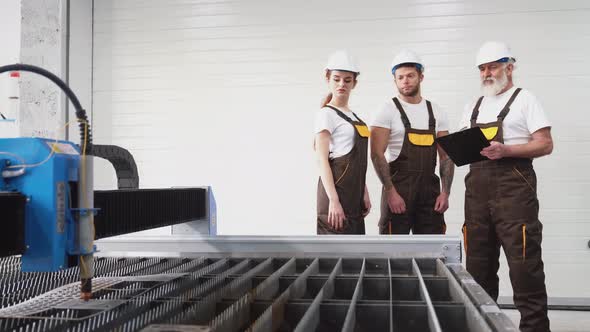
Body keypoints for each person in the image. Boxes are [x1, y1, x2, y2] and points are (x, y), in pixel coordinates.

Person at [460, 41, 553, 332]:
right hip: (477, 198)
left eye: (493, 66)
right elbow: (464, 146)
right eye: (483, 68)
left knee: (525, 269)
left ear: (509, 67)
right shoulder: (473, 106)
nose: (487, 73)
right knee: (478, 270)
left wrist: (507, 151)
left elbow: (545, 143)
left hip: (515, 197)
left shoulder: (525, 100)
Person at [370, 49, 453, 235]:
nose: (405, 81)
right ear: (395, 80)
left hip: (430, 194)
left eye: (410, 76)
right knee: (393, 253)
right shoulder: (386, 110)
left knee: (432, 251)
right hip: (398, 190)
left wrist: (445, 192)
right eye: (400, 77)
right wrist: (390, 192)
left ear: (421, 77)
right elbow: (376, 154)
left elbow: (446, 156)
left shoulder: (436, 111)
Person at [315, 50, 370, 234]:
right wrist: (334, 200)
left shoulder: (353, 116)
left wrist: (364, 191)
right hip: (336, 197)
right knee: (334, 259)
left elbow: (358, 161)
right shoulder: (326, 114)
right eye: (336, 79)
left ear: (354, 83)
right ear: (327, 78)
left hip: (354, 198)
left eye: (347, 80)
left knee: (356, 257)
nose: (341, 84)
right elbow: (322, 160)